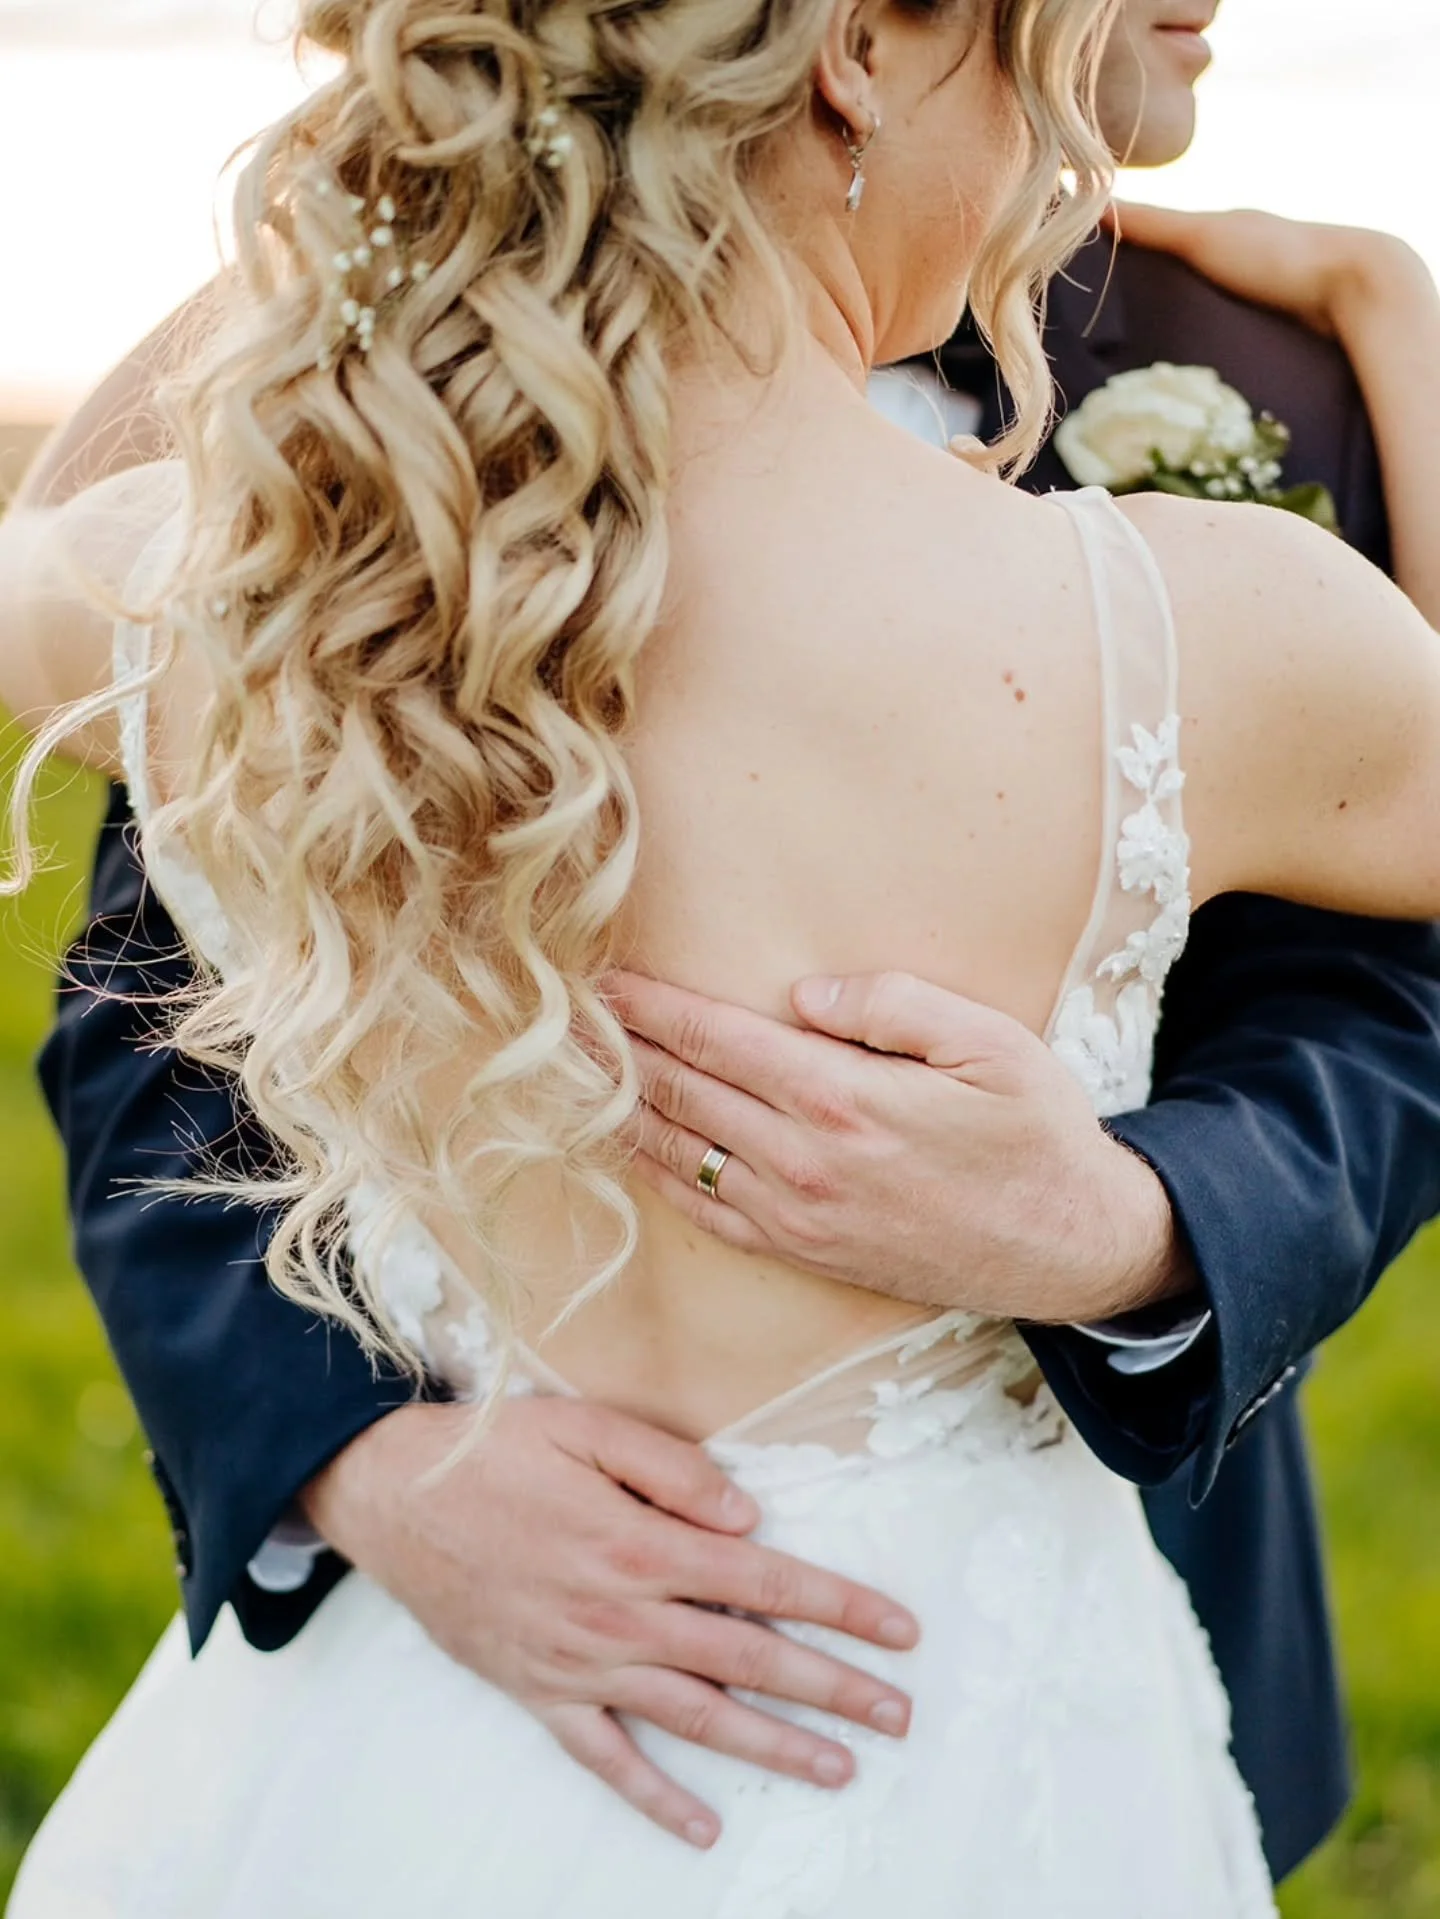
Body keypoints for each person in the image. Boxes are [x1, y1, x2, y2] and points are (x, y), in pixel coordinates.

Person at [5, 0, 1440, 1910]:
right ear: (851, 52)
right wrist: (1413, 335)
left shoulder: (237, 599)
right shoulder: (1199, 632)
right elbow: (131, 1019)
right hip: (953, 1741)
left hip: (380, 1787)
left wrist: (392, 221)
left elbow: (53, 535)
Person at [624, 0, 1440, 1881]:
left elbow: (1385, 1011)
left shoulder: (1277, 376)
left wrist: (1130, 1226)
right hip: (446, 1622)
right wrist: (358, 1463)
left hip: (1052, 1632)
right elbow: (152, 998)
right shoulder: (410, 485)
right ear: (856, 43)